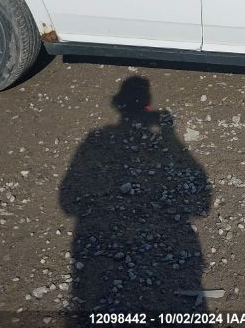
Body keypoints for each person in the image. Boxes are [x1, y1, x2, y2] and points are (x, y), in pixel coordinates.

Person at [60, 76, 211, 315]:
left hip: (101, 258)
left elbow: (67, 202)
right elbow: (202, 203)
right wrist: (169, 134)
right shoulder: (150, 143)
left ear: (118, 105)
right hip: (167, 255)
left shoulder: (95, 140)